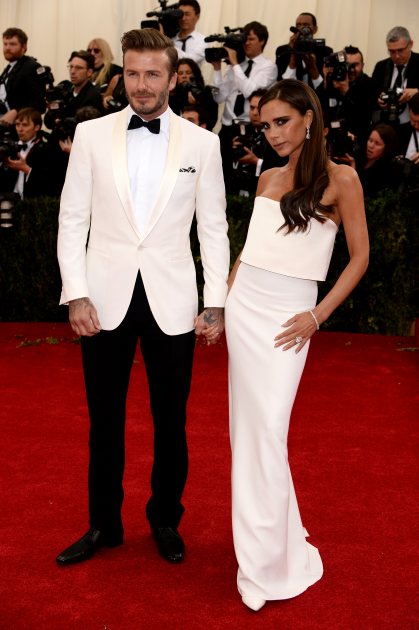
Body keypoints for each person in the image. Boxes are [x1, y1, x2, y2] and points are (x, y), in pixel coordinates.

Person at [56, 28, 229, 566]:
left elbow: (214, 229)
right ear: (121, 73)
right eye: (132, 73)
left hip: (173, 300)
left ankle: (164, 519)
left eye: (152, 74)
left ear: (173, 76)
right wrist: (76, 294)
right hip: (103, 298)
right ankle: (104, 526)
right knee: (103, 420)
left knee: (170, 421)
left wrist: (215, 300)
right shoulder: (91, 136)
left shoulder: (202, 144)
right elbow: (71, 221)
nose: (141, 85)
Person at [225, 79, 369, 612]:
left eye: (281, 121)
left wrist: (318, 314)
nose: (272, 133)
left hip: (291, 317)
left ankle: (268, 560)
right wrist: (223, 302)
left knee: (267, 430)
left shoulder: (341, 179)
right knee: (248, 433)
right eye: (264, 125)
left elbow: (359, 258)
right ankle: (263, 549)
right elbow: (248, 250)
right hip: (246, 311)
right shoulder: (266, 178)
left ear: (309, 117)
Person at [209, 21, 277, 187]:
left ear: (262, 41)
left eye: (251, 39)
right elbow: (219, 98)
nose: (246, 43)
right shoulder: (236, 67)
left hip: (248, 127)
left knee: (244, 172)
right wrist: (217, 69)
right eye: (244, 39)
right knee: (220, 172)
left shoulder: (269, 67)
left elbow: (249, 91)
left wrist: (234, 63)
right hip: (227, 128)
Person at [0, 107, 52, 198]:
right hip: (7, 200)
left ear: (37, 127)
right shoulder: (8, 147)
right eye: (17, 124)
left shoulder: (46, 149)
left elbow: (50, 182)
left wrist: (26, 169)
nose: (20, 129)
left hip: (33, 203)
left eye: (25, 125)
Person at [372, 26, 419, 127]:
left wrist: (416, 91)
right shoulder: (381, 66)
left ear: (411, 44)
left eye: (400, 50)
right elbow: (371, 94)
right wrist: (378, 100)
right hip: (385, 124)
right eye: (392, 52)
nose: (397, 56)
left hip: (413, 125)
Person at [275, 13, 332, 95]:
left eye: (306, 25)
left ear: (315, 29)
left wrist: (312, 68)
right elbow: (283, 86)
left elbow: (325, 89)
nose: (302, 29)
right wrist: (293, 53)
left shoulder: (325, 52)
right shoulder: (283, 51)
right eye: (298, 25)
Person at [0, 27, 46, 125]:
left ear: (24, 46)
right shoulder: (9, 67)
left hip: (22, 128)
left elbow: (39, 103)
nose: (7, 48)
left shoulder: (32, 67)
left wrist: (16, 111)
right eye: (5, 44)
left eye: (12, 44)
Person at [345, 123, 400, 198]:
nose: (371, 145)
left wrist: (353, 167)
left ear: (386, 148)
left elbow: (363, 195)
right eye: (370, 140)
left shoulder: (385, 172)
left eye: (377, 143)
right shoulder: (360, 155)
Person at [169, 57, 218, 130]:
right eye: (180, 73)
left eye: (188, 73)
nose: (184, 76)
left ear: (195, 74)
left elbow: (211, 121)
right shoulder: (171, 96)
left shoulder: (205, 93)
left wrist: (197, 104)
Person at [171, 0, 206, 67]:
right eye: (181, 14)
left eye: (187, 14)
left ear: (197, 17)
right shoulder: (171, 39)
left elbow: (189, 61)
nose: (183, 18)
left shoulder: (203, 41)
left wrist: (169, 45)